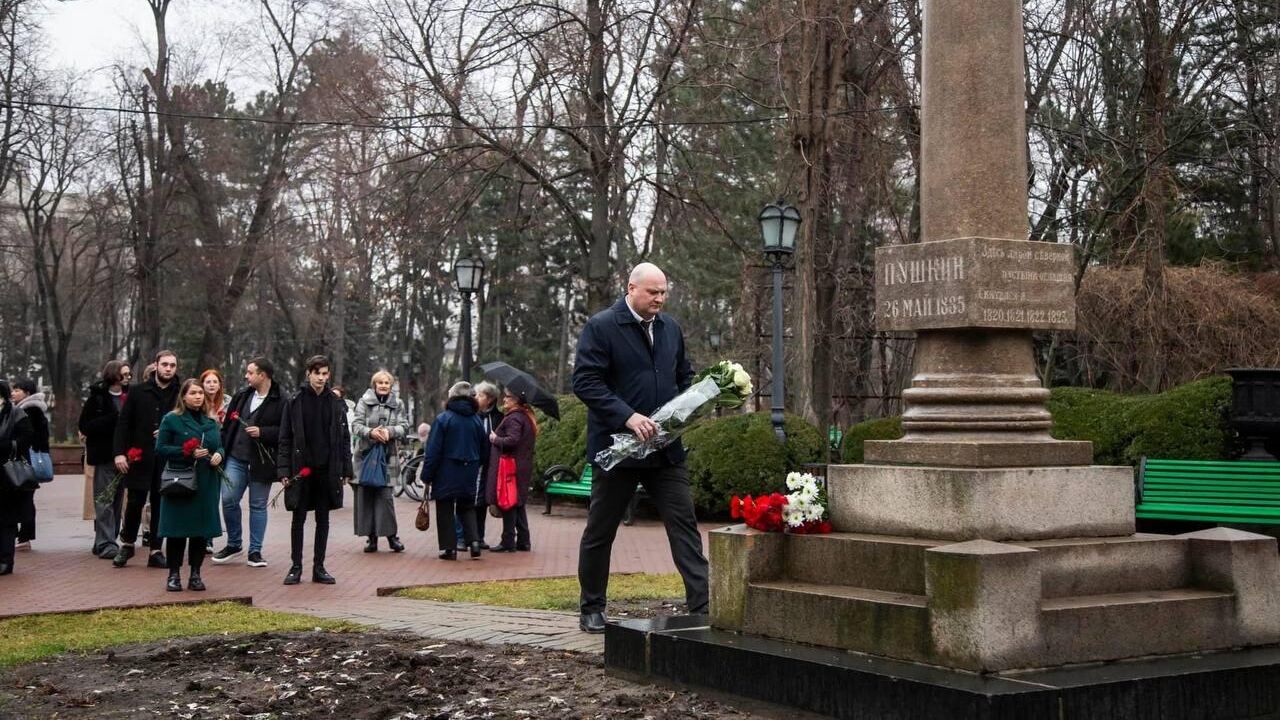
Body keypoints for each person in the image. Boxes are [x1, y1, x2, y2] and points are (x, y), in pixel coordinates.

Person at [572, 262, 709, 633]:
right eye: (653, 292)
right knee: (601, 531)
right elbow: (585, 382)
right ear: (631, 288)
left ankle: (704, 606)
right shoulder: (601, 326)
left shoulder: (671, 328)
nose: (660, 299)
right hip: (618, 450)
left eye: (664, 292)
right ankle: (592, 608)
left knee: (685, 528)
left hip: (666, 453)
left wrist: (694, 402)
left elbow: (684, 374)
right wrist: (628, 416)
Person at [276, 355, 351, 585]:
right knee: (298, 518)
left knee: (323, 518)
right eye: (317, 373)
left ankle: (319, 567)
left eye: (325, 373)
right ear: (308, 373)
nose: (321, 378)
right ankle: (296, 566)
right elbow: (285, 438)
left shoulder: (335, 403)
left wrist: (346, 468)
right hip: (301, 469)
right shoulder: (295, 401)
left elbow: (344, 438)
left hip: (326, 468)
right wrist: (284, 470)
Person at [154, 379, 224, 592]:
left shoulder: (210, 422)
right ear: (183, 396)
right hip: (180, 482)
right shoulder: (172, 419)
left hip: (206, 482)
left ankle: (196, 574)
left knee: (200, 532)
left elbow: (219, 445)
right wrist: (186, 452)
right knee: (177, 531)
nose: (198, 397)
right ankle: (173, 574)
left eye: (201, 393)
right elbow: (161, 448)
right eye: (193, 393)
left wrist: (220, 455)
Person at [112, 349, 181, 569]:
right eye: (165, 365)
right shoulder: (138, 392)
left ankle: (156, 550)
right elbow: (123, 424)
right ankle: (128, 544)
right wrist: (119, 453)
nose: (168, 369)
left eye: (172, 365)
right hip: (140, 456)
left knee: (161, 504)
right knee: (135, 502)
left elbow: (189, 423)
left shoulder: (181, 393)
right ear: (156, 366)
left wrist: (169, 431)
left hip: (167, 458)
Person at [214, 357, 283, 568]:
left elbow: (286, 431)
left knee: (257, 505)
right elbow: (227, 426)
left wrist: (264, 432)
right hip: (236, 457)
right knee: (228, 498)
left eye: (250, 372)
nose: (246, 376)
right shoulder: (242, 396)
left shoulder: (282, 400)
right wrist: (223, 451)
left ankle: (255, 551)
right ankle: (234, 543)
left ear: (263, 375)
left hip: (262, 461)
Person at [420, 381, 487, 560]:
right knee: (467, 506)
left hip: (446, 470)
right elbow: (484, 448)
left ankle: (449, 548)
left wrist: (426, 475)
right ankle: (474, 542)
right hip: (470, 468)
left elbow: (433, 450)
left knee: (445, 507)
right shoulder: (476, 420)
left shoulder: (444, 419)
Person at [351, 370, 410, 552]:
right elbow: (356, 425)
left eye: (387, 383)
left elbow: (404, 426)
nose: (383, 385)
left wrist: (390, 432)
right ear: (374, 385)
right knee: (366, 497)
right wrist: (371, 432)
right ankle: (372, 539)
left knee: (386, 499)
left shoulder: (397, 404)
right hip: (366, 456)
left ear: (391, 386)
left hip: (388, 456)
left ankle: (392, 537)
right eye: (380, 382)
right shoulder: (363, 402)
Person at [78, 360, 132, 558]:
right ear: (113, 375)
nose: (127, 378)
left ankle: (105, 539)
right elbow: (85, 425)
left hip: (126, 456)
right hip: (104, 456)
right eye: (124, 374)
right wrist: (113, 419)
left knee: (118, 501)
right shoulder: (97, 399)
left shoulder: (130, 397)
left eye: (129, 375)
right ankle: (106, 543)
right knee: (104, 500)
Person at [486, 387, 537, 552]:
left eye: (507, 397)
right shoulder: (526, 416)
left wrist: (495, 439)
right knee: (518, 503)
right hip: (521, 465)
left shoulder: (514, 418)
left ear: (515, 400)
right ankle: (524, 540)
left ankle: (508, 541)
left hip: (510, 467)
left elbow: (512, 440)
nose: (504, 400)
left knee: (508, 502)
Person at [463, 380, 503, 549]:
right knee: (472, 500)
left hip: (491, 464)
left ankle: (480, 536)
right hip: (474, 463)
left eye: (481, 395)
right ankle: (468, 536)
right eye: (476, 394)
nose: (476, 397)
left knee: (484, 501)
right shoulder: (472, 416)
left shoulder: (499, 418)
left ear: (490, 399)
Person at [10, 379, 48, 551]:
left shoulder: (29, 411)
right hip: (28, 460)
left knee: (24, 497)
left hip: (26, 460)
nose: (13, 393)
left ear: (27, 393)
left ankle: (24, 536)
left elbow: (32, 437)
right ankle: (24, 536)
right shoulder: (30, 410)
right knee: (25, 497)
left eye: (17, 390)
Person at [0, 381, 33, 575]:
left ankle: (6, 559)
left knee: (6, 519)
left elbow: (26, 439)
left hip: (7, 474)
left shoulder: (16, 414)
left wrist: (6, 445)